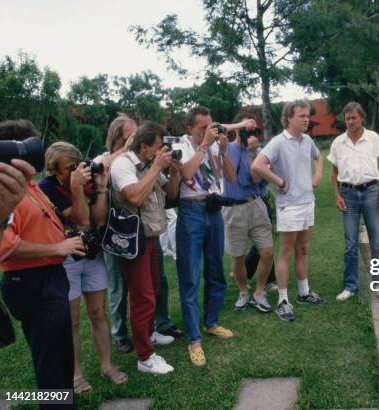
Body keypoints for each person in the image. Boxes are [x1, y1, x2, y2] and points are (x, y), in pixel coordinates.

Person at [0, 120, 86, 409]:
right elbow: (5, 246)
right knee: (51, 365)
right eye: (31, 148)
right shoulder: (5, 192)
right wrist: (57, 246)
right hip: (31, 281)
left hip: (50, 276)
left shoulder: (31, 186)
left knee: (59, 360)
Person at [39, 142, 126, 393]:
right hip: (67, 258)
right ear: (54, 169)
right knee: (73, 319)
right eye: (70, 168)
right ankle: (75, 373)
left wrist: (99, 188)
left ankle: (107, 365)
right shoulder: (47, 188)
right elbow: (80, 218)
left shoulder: (84, 183)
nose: (76, 171)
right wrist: (77, 188)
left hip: (91, 253)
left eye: (78, 165)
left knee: (98, 313)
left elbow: (97, 220)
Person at [97, 115, 182, 355]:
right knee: (141, 295)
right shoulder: (124, 164)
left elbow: (171, 195)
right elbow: (134, 196)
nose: (161, 151)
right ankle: (144, 354)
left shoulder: (148, 165)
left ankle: (150, 331)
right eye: (158, 146)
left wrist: (173, 173)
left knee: (153, 288)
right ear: (144, 146)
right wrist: (156, 167)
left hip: (151, 235)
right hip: (133, 239)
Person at [176, 106, 242, 366]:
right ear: (191, 128)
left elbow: (232, 176)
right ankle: (194, 339)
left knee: (216, 270)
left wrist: (224, 150)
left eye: (211, 125)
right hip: (191, 210)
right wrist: (204, 145)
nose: (209, 130)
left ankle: (211, 322)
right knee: (191, 276)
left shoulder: (215, 146)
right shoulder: (183, 146)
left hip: (214, 210)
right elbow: (186, 173)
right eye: (203, 127)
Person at [251, 100, 325, 322]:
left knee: (302, 250)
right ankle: (283, 301)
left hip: (307, 202)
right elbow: (257, 165)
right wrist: (279, 181)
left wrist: (318, 174)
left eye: (307, 115)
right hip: (289, 206)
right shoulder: (278, 142)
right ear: (289, 118)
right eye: (301, 116)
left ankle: (304, 293)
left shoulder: (308, 140)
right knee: (285, 253)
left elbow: (319, 157)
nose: (306, 119)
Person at [328, 102, 379, 302]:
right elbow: (334, 172)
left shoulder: (373, 138)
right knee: (350, 244)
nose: (350, 121)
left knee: (376, 242)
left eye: (354, 117)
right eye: (347, 118)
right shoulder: (338, 142)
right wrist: (337, 196)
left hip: (372, 192)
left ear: (362, 118)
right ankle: (350, 286)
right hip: (348, 195)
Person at [222, 112, 274, 312]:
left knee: (267, 252)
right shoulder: (227, 149)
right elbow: (234, 179)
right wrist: (239, 125)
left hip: (256, 205)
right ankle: (244, 291)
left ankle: (259, 292)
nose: (250, 134)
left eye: (253, 130)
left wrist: (253, 153)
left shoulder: (260, 153)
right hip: (233, 207)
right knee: (238, 256)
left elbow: (257, 179)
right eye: (246, 129)